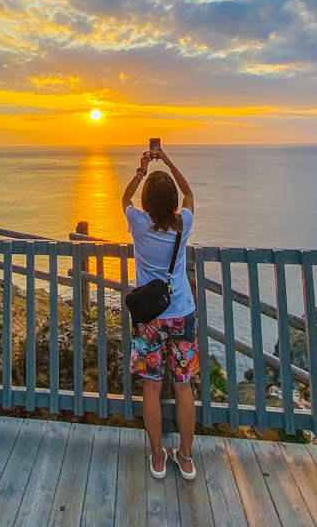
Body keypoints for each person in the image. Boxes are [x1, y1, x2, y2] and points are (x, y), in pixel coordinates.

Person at [122, 146, 199, 481]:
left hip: (150, 320)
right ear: (172, 205)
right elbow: (190, 193)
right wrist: (167, 159)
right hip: (181, 313)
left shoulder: (139, 224)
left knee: (151, 389)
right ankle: (184, 458)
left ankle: (156, 458)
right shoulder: (183, 225)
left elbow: (124, 197)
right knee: (184, 388)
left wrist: (142, 170)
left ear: (148, 204)